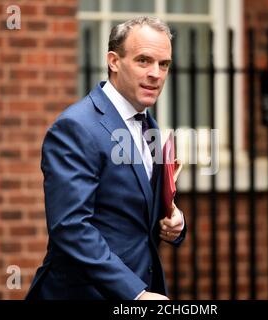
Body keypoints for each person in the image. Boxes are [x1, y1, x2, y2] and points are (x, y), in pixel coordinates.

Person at [26, 16, 186, 300]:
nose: (156, 74)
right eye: (144, 61)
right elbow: (70, 227)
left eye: (164, 65)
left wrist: (174, 222)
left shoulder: (150, 125)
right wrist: (135, 293)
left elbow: (142, 210)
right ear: (113, 61)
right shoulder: (76, 127)